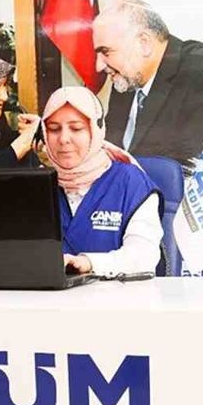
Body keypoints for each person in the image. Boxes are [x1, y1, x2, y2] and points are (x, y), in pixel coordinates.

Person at [93, 0, 203, 168]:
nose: (98, 66)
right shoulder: (126, 79)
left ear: (144, 44)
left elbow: (191, 168)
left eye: (106, 52)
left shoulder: (201, 74)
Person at [40, 86, 163, 276]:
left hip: (116, 293)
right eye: (53, 129)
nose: (63, 139)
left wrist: (89, 263)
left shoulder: (131, 183)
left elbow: (143, 256)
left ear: (96, 130)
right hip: (43, 295)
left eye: (76, 128)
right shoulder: (37, 186)